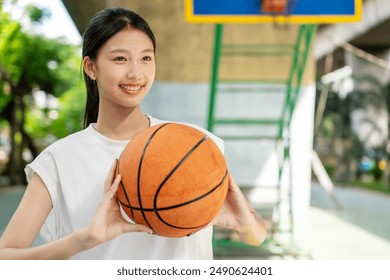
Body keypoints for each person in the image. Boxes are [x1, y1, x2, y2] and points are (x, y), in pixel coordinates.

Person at [0, 7, 266, 260]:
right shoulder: (59, 160)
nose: (136, 73)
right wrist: (84, 240)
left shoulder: (196, 143)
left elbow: (257, 235)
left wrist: (245, 225)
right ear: (91, 67)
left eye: (146, 58)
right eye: (120, 58)